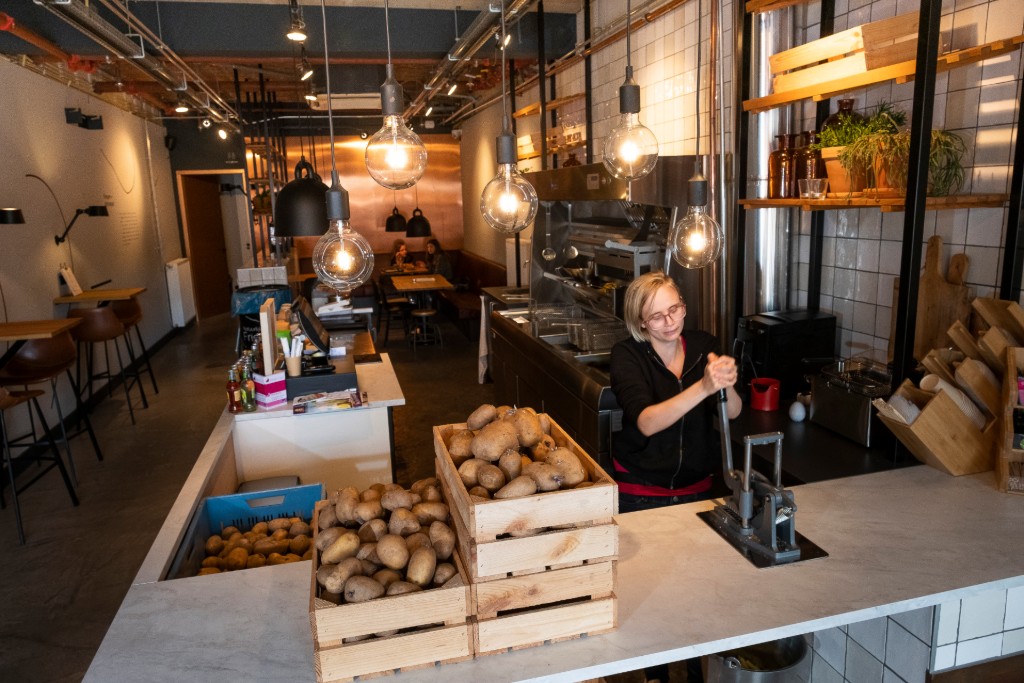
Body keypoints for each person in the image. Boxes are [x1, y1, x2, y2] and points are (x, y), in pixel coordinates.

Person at [609, 271, 741, 683]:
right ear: (640, 323)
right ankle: (656, 675)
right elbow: (647, 422)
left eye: (675, 309)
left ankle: (695, 671)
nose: (670, 322)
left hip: (696, 493)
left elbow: (732, 412)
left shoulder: (704, 346)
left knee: (692, 591)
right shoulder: (627, 355)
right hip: (640, 493)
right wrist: (703, 386)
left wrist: (727, 383)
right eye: (657, 317)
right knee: (650, 596)